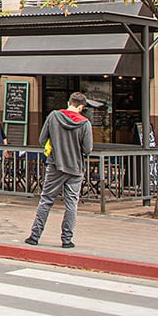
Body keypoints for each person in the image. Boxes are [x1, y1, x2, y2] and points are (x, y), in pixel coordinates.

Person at [25, 92, 94, 249]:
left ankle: (34, 236)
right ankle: (67, 240)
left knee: (46, 200)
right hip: (76, 168)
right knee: (71, 203)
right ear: (81, 107)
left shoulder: (54, 116)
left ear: (69, 102)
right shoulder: (85, 124)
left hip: (55, 165)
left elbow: (42, 139)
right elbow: (88, 149)